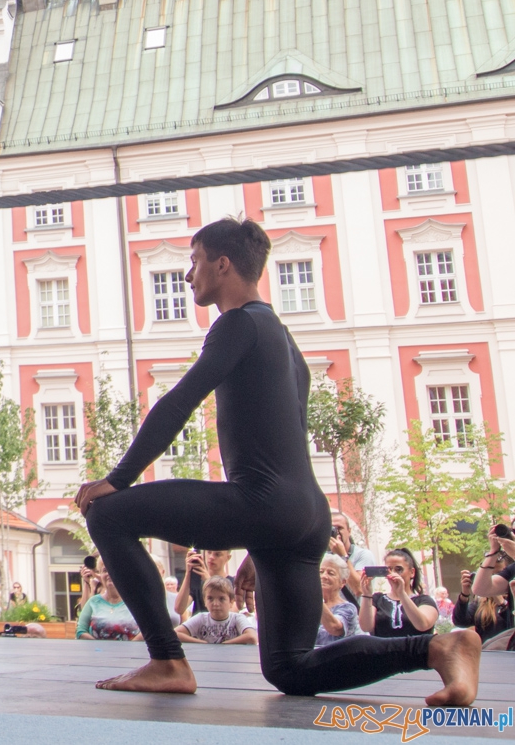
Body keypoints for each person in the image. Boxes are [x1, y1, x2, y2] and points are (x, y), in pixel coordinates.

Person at [74, 218, 479, 704]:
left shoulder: (237, 324)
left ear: (223, 265)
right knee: (290, 668)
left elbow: (179, 401)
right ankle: (438, 648)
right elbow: (289, 438)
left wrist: (117, 478)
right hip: (304, 514)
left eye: (195, 260)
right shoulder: (284, 341)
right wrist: (257, 542)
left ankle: (167, 660)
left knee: (107, 513)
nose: (187, 274)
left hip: (263, 503)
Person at [358, 548, 439, 638]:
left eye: (398, 570)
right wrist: (367, 594)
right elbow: (366, 627)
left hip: (415, 647)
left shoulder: (424, 601)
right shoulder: (377, 599)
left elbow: (423, 625)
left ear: (412, 572)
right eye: (389, 570)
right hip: (384, 646)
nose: (393, 574)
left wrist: (401, 594)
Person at [177, 576, 257, 645]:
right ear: (205, 601)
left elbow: (252, 637)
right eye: (210, 598)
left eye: (221, 599)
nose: (215, 604)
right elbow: (176, 633)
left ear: (231, 602)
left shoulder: (237, 618)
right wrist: (202, 643)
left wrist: (223, 645)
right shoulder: (201, 618)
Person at [76, 562, 141, 641]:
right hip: (97, 649)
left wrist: (130, 646)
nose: (109, 574)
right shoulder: (93, 601)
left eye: (114, 570)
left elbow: (149, 630)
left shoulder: (137, 602)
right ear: (100, 575)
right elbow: (80, 631)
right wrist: (99, 646)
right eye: (105, 570)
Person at [454, 569, 511, 642]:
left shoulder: (511, 597)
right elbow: (460, 621)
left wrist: (502, 604)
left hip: (509, 647)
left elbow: (511, 623)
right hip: (487, 648)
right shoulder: (483, 602)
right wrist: (464, 594)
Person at [316, 554, 360, 649]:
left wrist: (315, 596)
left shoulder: (348, 608)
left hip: (333, 656)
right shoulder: (306, 605)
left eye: (330, 573)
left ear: (342, 582)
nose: (324, 576)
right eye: (321, 572)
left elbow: (334, 627)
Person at [174, 548, 233, 617]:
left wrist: (209, 581)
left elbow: (231, 613)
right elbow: (179, 609)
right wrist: (188, 573)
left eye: (217, 554)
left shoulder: (232, 583)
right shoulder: (198, 580)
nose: (211, 557)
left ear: (228, 557)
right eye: (209, 552)